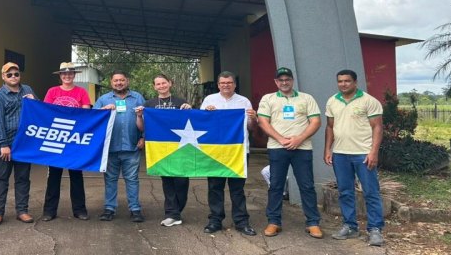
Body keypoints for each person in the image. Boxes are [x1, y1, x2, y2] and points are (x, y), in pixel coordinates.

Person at [257, 67, 323, 238]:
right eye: (281, 80)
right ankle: (273, 222)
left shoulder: (306, 98)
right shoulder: (268, 99)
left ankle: (313, 222)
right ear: (276, 82)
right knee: (276, 186)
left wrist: (299, 139)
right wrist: (280, 138)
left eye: (287, 79)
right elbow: (263, 122)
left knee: (307, 185)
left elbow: (315, 122)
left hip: (302, 148)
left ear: (292, 80)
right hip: (277, 148)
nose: (284, 82)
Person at [324, 69, 385, 246]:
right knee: (345, 192)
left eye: (347, 81)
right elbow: (330, 127)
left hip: (363, 154)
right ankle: (350, 226)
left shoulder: (368, 101)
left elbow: (378, 128)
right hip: (341, 154)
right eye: (340, 81)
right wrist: (328, 149)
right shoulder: (332, 101)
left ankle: (375, 229)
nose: (343, 84)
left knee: (371, 192)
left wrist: (373, 152)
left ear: (355, 82)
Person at [199, 71, 257, 236]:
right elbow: (201, 125)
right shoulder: (209, 100)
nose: (226, 85)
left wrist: (253, 118)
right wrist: (206, 113)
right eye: (223, 83)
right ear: (218, 85)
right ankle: (215, 220)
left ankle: (242, 222)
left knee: (237, 188)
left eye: (229, 83)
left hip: (237, 151)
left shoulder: (244, 101)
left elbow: (251, 128)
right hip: (214, 151)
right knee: (215, 187)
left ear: (234, 84)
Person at [135, 74, 192, 227]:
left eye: (164, 83)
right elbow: (142, 127)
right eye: (158, 84)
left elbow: (191, 121)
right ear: (154, 87)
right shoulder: (149, 104)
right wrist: (140, 116)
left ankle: (176, 211)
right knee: (167, 181)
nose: (161, 86)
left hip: (181, 148)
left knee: (181, 181)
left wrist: (190, 109)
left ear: (170, 83)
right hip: (160, 149)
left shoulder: (181, 102)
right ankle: (171, 213)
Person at [41, 62, 91, 221]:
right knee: (54, 176)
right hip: (56, 138)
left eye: (70, 73)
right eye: (64, 74)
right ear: (60, 76)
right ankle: (49, 211)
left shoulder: (81, 92)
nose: (67, 76)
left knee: (76, 176)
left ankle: (80, 210)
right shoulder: (52, 91)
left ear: (74, 75)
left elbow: (86, 111)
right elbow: (45, 111)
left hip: (74, 140)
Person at [94, 71, 146, 223]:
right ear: (111, 83)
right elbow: (92, 119)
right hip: (110, 148)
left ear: (127, 81)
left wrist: (144, 137)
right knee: (110, 179)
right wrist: (103, 110)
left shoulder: (137, 98)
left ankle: (135, 209)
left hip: (132, 146)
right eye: (116, 80)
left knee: (132, 179)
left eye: (122, 80)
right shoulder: (103, 99)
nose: (119, 83)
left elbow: (147, 119)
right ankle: (109, 208)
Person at [0, 62, 37, 226]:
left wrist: (34, 101)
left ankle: (22, 211)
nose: (13, 77)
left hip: (24, 143)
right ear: (3, 76)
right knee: (1, 179)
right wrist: (3, 144)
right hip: (6, 144)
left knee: (23, 179)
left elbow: (39, 112)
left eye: (16, 74)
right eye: (9, 74)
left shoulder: (28, 90)